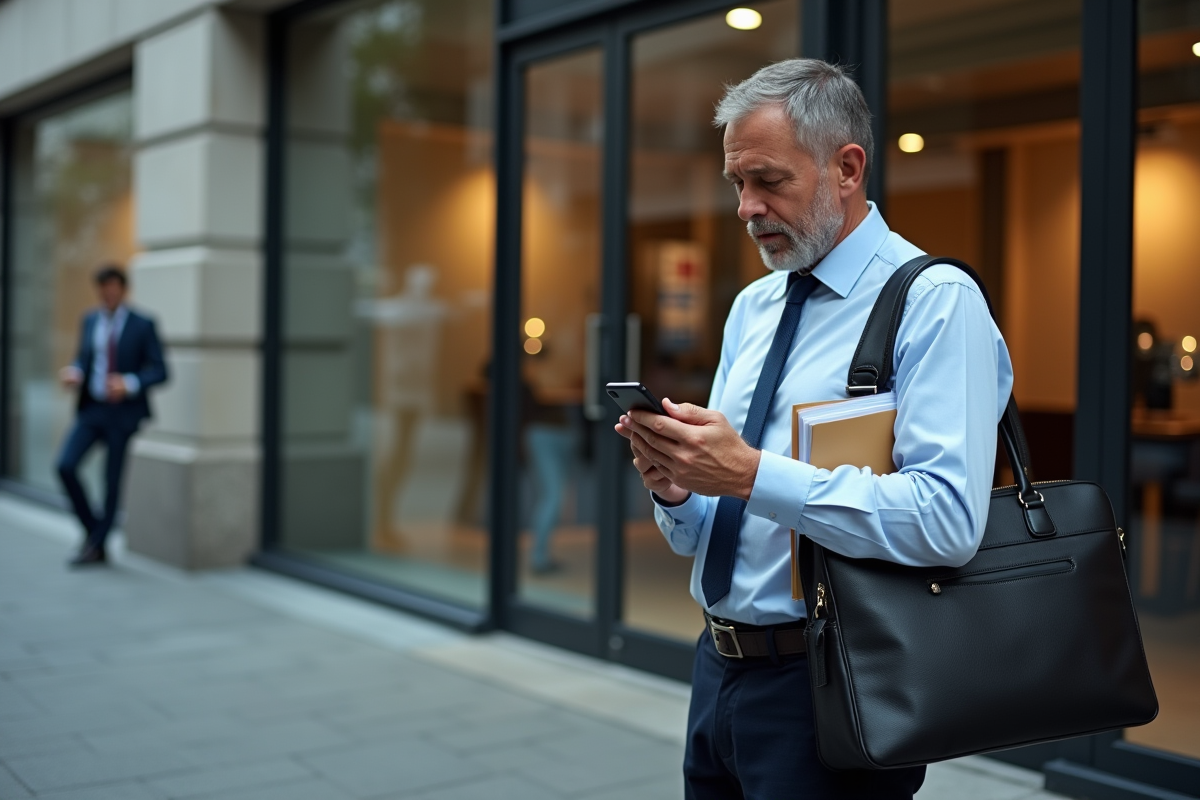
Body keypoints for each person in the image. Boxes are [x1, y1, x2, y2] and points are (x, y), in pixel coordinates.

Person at [615, 59, 1013, 799]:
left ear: (847, 167)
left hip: (839, 682)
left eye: (768, 180)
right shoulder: (752, 308)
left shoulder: (935, 301)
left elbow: (950, 521)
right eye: (737, 183)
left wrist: (749, 473)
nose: (746, 207)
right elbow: (708, 533)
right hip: (718, 670)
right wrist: (678, 490)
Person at [57, 265, 168, 567]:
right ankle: (96, 533)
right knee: (65, 466)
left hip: (122, 413)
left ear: (123, 289)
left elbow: (160, 371)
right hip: (92, 409)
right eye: (103, 287)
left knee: (111, 481)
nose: (108, 293)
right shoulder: (90, 319)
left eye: (113, 287)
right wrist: (76, 372)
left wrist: (129, 383)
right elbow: (84, 357)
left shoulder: (143, 324)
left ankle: (97, 546)